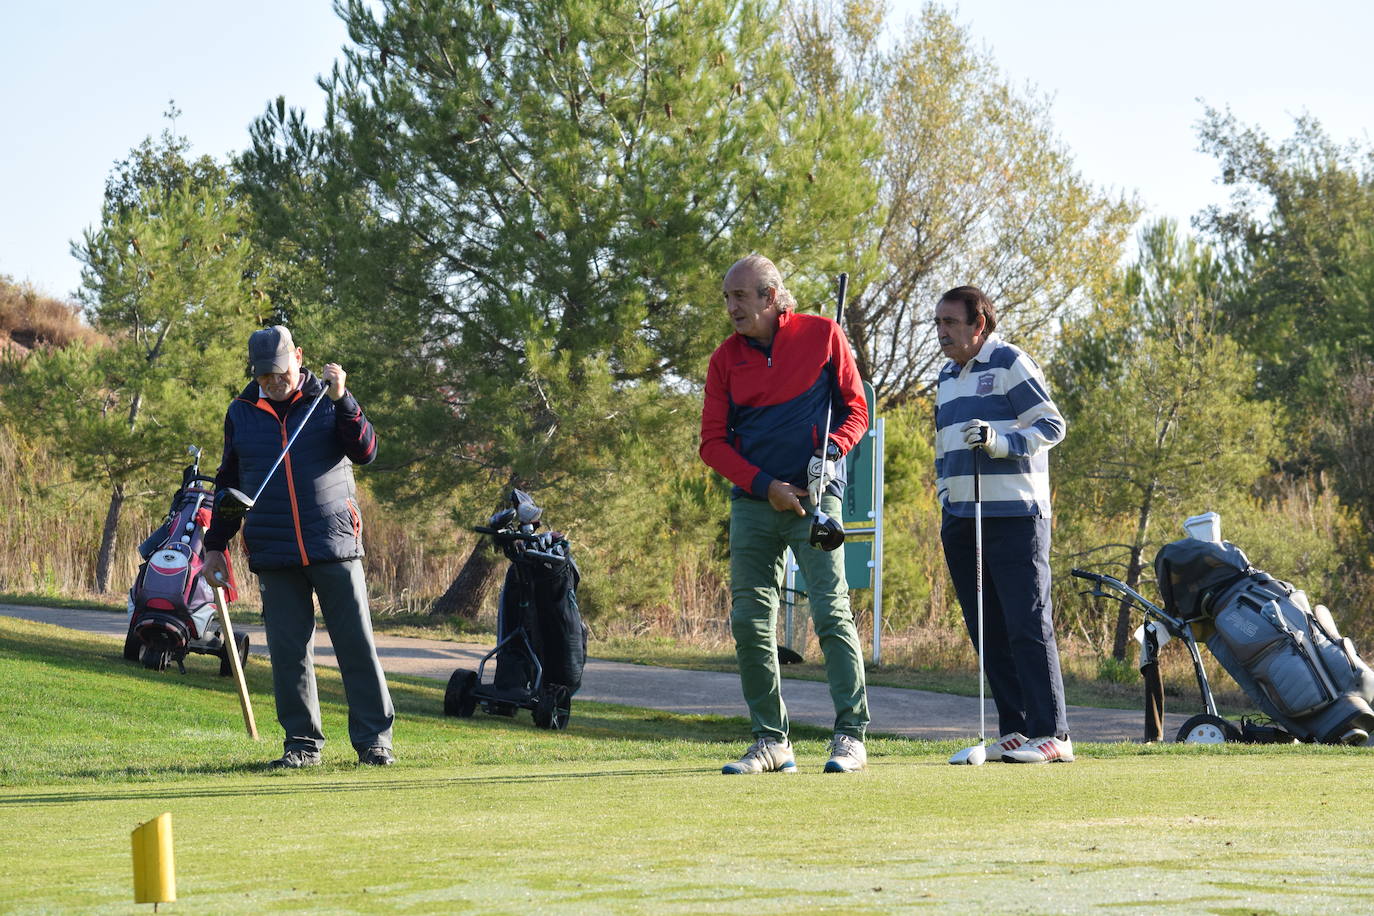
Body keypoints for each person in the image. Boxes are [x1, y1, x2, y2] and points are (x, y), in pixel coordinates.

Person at [699, 254, 870, 774]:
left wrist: (834, 451)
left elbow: (855, 409)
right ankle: (772, 742)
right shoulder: (724, 360)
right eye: (727, 298)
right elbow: (712, 443)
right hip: (755, 504)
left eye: (740, 297)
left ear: (771, 298)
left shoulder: (823, 335)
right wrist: (765, 485)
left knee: (830, 611)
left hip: (819, 501)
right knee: (750, 622)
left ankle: (851, 736)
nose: (731, 307)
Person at [203, 326, 396, 769]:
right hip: (274, 550)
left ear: (299, 358)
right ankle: (302, 745)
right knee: (289, 654)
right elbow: (229, 482)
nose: (273, 383)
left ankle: (374, 741)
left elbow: (366, 451)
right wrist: (217, 545)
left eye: (280, 373)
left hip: (334, 543)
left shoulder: (327, 400)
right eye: (264, 376)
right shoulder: (242, 411)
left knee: (356, 646)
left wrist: (344, 399)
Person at [933, 286, 1071, 763]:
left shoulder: (1010, 362)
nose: (942, 332)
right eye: (939, 323)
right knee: (987, 628)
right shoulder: (946, 376)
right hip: (962, 519)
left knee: (1027, 624)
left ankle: (1053, 734)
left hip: (1015, 516)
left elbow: (1051, 425)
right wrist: (944, 496)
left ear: (980, 325)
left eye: (951, 322)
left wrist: (1001, 442)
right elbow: (942, 447)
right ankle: (1014, 728)